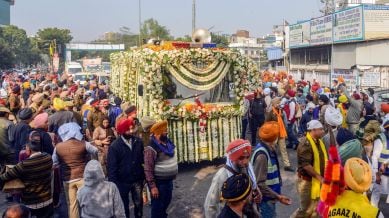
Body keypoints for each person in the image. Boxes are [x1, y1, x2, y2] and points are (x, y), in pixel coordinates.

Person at [0, 131, 54, 218]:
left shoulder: (24, 164)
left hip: (31, 204)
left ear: (28, 149)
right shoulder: (48, 157)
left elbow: (5, 177)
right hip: (47, 201)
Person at [204, 139, 261, 218]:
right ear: (233, 158)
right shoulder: (222, 176)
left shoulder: (247, 168)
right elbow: (210, 205)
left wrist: (256, 192)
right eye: (241, 158)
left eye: (247, 157)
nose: (245, 161)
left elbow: (250, 188)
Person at [52, 122, 98, 218]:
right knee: (87, 203)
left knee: (72, 205)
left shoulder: (58, 147)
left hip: (67, 179)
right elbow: (95, 151)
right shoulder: (84, 144)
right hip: (83, 177)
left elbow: (54, 163)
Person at [252, 122, 291, 217]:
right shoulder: (262, 155)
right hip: (265, 200)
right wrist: (278, 196)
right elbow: (259, 184)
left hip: (270, 198)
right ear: (274, 138)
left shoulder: (269, 149)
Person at [107, 118, 145, 218]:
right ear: (122, 131)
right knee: (124, 207)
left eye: (132, 129)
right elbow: (112, 168)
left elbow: (142, 160)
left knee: (139, 205)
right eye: (128, 129)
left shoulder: (138, 142)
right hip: (122, 182)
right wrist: (114, 186)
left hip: (137, 180)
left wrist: (143, 178)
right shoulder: (115, 146)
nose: (131, 131)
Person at [292, 120, 328, 218]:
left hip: (316, 181)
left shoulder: (319, 142)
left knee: (315, 208)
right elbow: (306, 165)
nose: (323, 131)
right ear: (313, 130)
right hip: (306, 182)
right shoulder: (306, 143)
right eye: (320, 129)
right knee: (305, 210)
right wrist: (319, 177)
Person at [144, 120, 179, 218]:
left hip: (169, 181)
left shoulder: (168, 143)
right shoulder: (151, 148)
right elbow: (148, 169)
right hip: (159, 184)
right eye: (164, 130)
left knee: (165, 204)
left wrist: (174, 171)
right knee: (157, 208)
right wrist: (153, 187)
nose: (167, 132)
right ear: (158, 133)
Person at [265, 97, 294, 171]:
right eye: (277, 103)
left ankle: (287, 165)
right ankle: (270, 164)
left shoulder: (281, 111)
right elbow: (266, 123)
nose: (278, 104)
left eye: (279, 103)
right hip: (274, 133)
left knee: (283, 149)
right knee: (271, 149)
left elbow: (284, 121)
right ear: (273, 104)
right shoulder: (271, 113)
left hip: (281, 132)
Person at [371, 120, 389, 207]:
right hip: (381, 174)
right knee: (376, 195)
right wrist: (376, 174)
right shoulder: (381, 139)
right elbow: (374, 157)